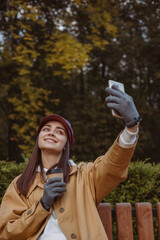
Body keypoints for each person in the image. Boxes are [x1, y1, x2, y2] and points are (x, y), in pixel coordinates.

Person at [0, 85, 142, 240]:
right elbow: (7, 233)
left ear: (65, 145)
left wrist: (131, 127)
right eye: (46, 129)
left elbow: (112, 166)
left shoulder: (85, 176)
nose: (52, 132)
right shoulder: (20, 184)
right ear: (39, 138)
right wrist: (42, 205)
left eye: (60, 132)